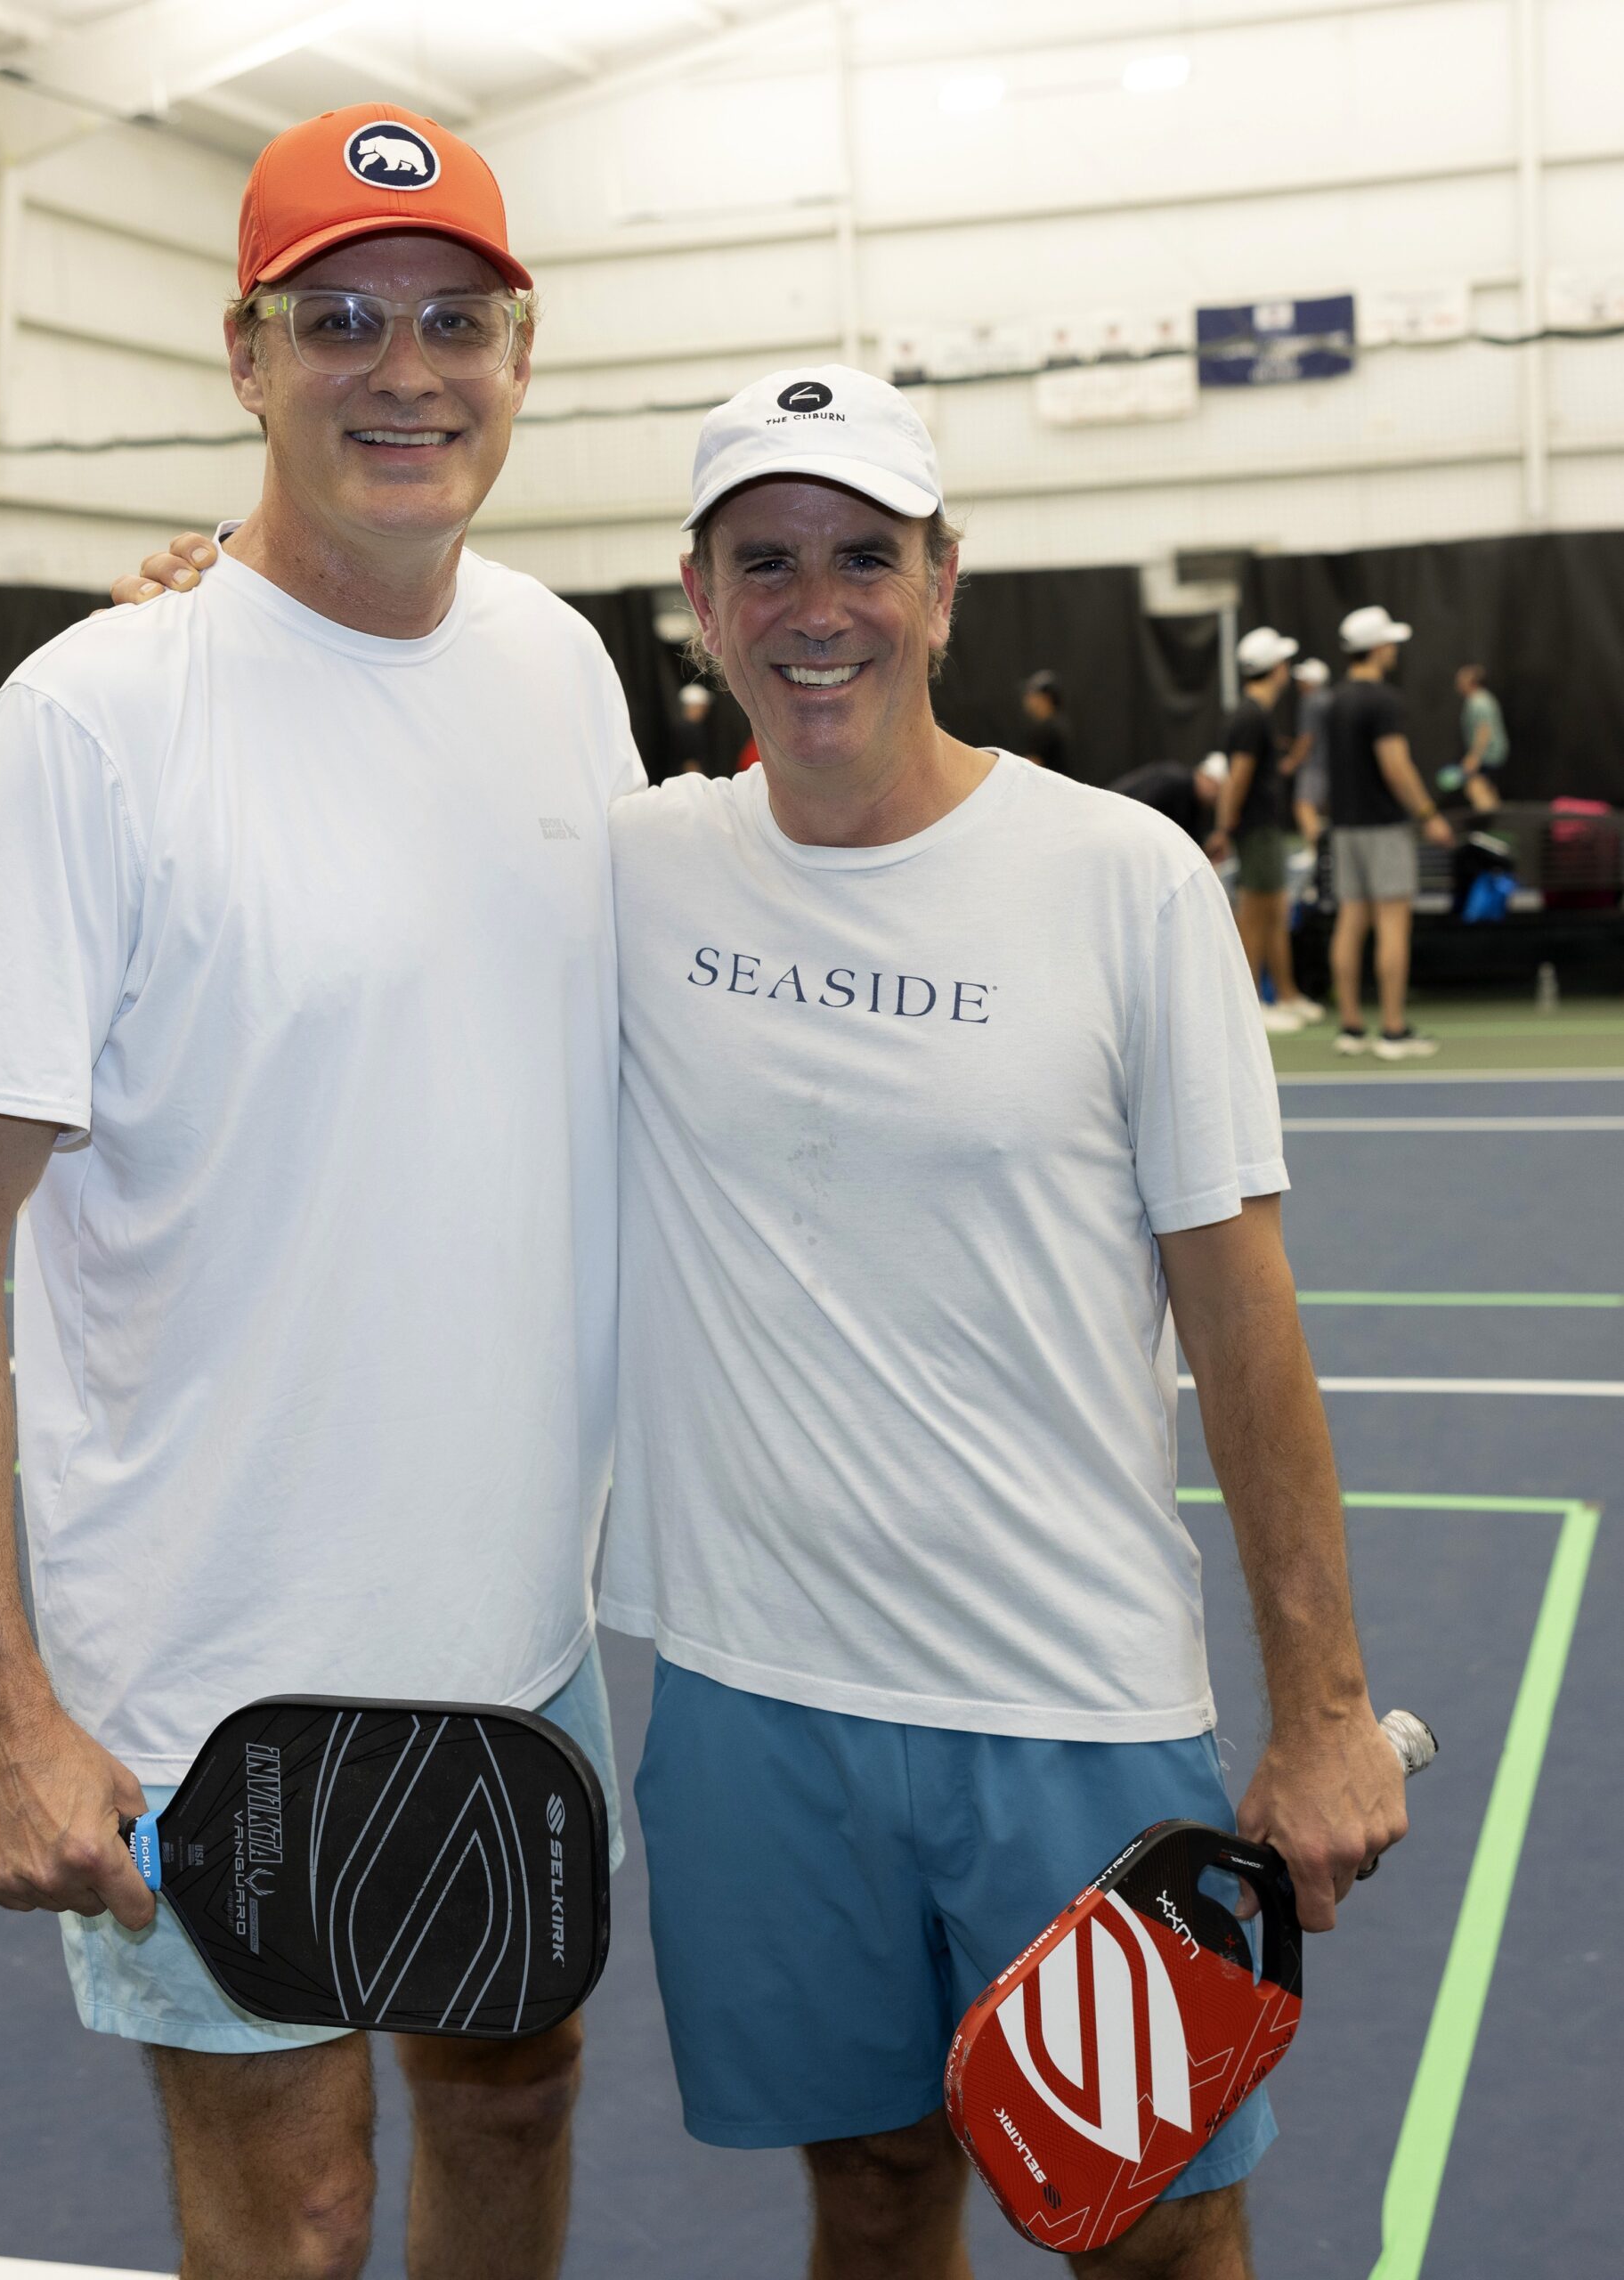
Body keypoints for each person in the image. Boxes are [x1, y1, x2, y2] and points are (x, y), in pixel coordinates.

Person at [0, 104, 640, 2280]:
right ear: (245, 354)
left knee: (517, 2088)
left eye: (453, 322)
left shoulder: (560, 666)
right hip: (213, 1668)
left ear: (520, 351)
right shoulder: (88, 722)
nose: (405, 369)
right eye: (341, 320)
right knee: (293, 2212)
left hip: (517, 1628)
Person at [600, 369, 1404, 2280]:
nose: (817, 608)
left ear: (944, 584)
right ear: (699, 600)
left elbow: (1241, 1315)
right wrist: (219, 600)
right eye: (766, 561)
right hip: (752, 1701)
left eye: (865, 557)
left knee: (1158, 2231)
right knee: (874, 2191)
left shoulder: (1121, 879)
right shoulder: (625, 871)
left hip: (1068, 1701)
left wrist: (1318, 1709)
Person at [1327, 606, 1453, 1060]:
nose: (1395, 649)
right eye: (1391, 643)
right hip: (1383, 828)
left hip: (1344, 828)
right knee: (1393, 922)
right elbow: (1396, 767)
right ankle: (1393, 1032)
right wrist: (1428, 814)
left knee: (1350, 920)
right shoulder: (1384, 700)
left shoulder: (1334, 701)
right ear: (1378, 647)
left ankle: (1351, 1028)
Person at [1208, 628, 1322, 1030]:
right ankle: (1252, 1005)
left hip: (1265, 828)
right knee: (1254, 915)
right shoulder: (1250, 717)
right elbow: (1237, 778)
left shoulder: (1255, 714)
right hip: (1255, 829)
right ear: (1275, 669)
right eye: (1283, 663)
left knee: (1275, 910)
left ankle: (1287, 995)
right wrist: (1225, 827)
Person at [1108, 749, 1227, 844]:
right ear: (1208, 779)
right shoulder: (1175, 782)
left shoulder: (1194, 803)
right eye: (1217, 790)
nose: (1216, 799)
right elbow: (1139, 808)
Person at [1449, 664, 1508, 814]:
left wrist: (1474, 757)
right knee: (1489, 789)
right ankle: (1498, 822)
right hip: (1492, 755)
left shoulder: (1478, 702)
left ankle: (1489, 822)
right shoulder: (1483, 698)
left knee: (1475, 788)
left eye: (1462, 678)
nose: (1458, 681)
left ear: (1472, 681)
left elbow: (1484, 730)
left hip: (1487, 756)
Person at [1287, 656, 1332, 843]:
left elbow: (1307, 739)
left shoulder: (1310, 701)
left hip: (1315, 766)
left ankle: (1317, 851)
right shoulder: (1330, 699)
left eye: (1303, 679)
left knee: (1303, 806)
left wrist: (1291, 763)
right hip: (1332, 765)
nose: (1299, 683)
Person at [1019, 667, 1072, 771]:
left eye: (1031, 695)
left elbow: (1030, 768)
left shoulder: (1046, 729)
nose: (1027, 699)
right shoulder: (1059, 724)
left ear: (1045, 698)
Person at [670, 679, 715, 775]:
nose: (705, 711)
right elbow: (689, 763)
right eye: (702, 707)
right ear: (692, 707)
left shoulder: (686, 727)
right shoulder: (688, 730)